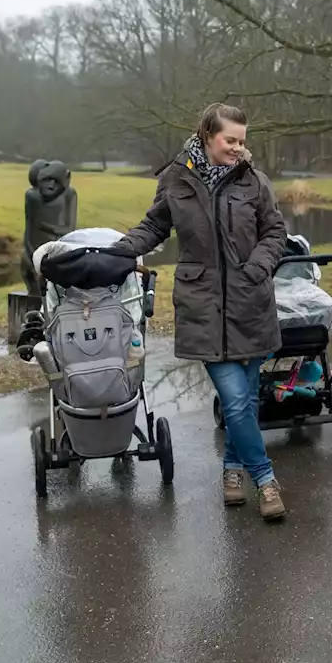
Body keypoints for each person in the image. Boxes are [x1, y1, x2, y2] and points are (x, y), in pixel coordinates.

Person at [109, 103, 289, 521]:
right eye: (231, 140)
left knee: (241, 401)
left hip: (250, 303)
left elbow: (275, 231)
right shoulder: (176, 179)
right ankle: (265, 479)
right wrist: (118, 250)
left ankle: (231, 470)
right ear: (208, 136)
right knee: (236, 399)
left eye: (243, 141)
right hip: (203, 307)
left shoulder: (254, 181)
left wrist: (260, 266)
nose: (239, 149)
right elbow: (155, 226)